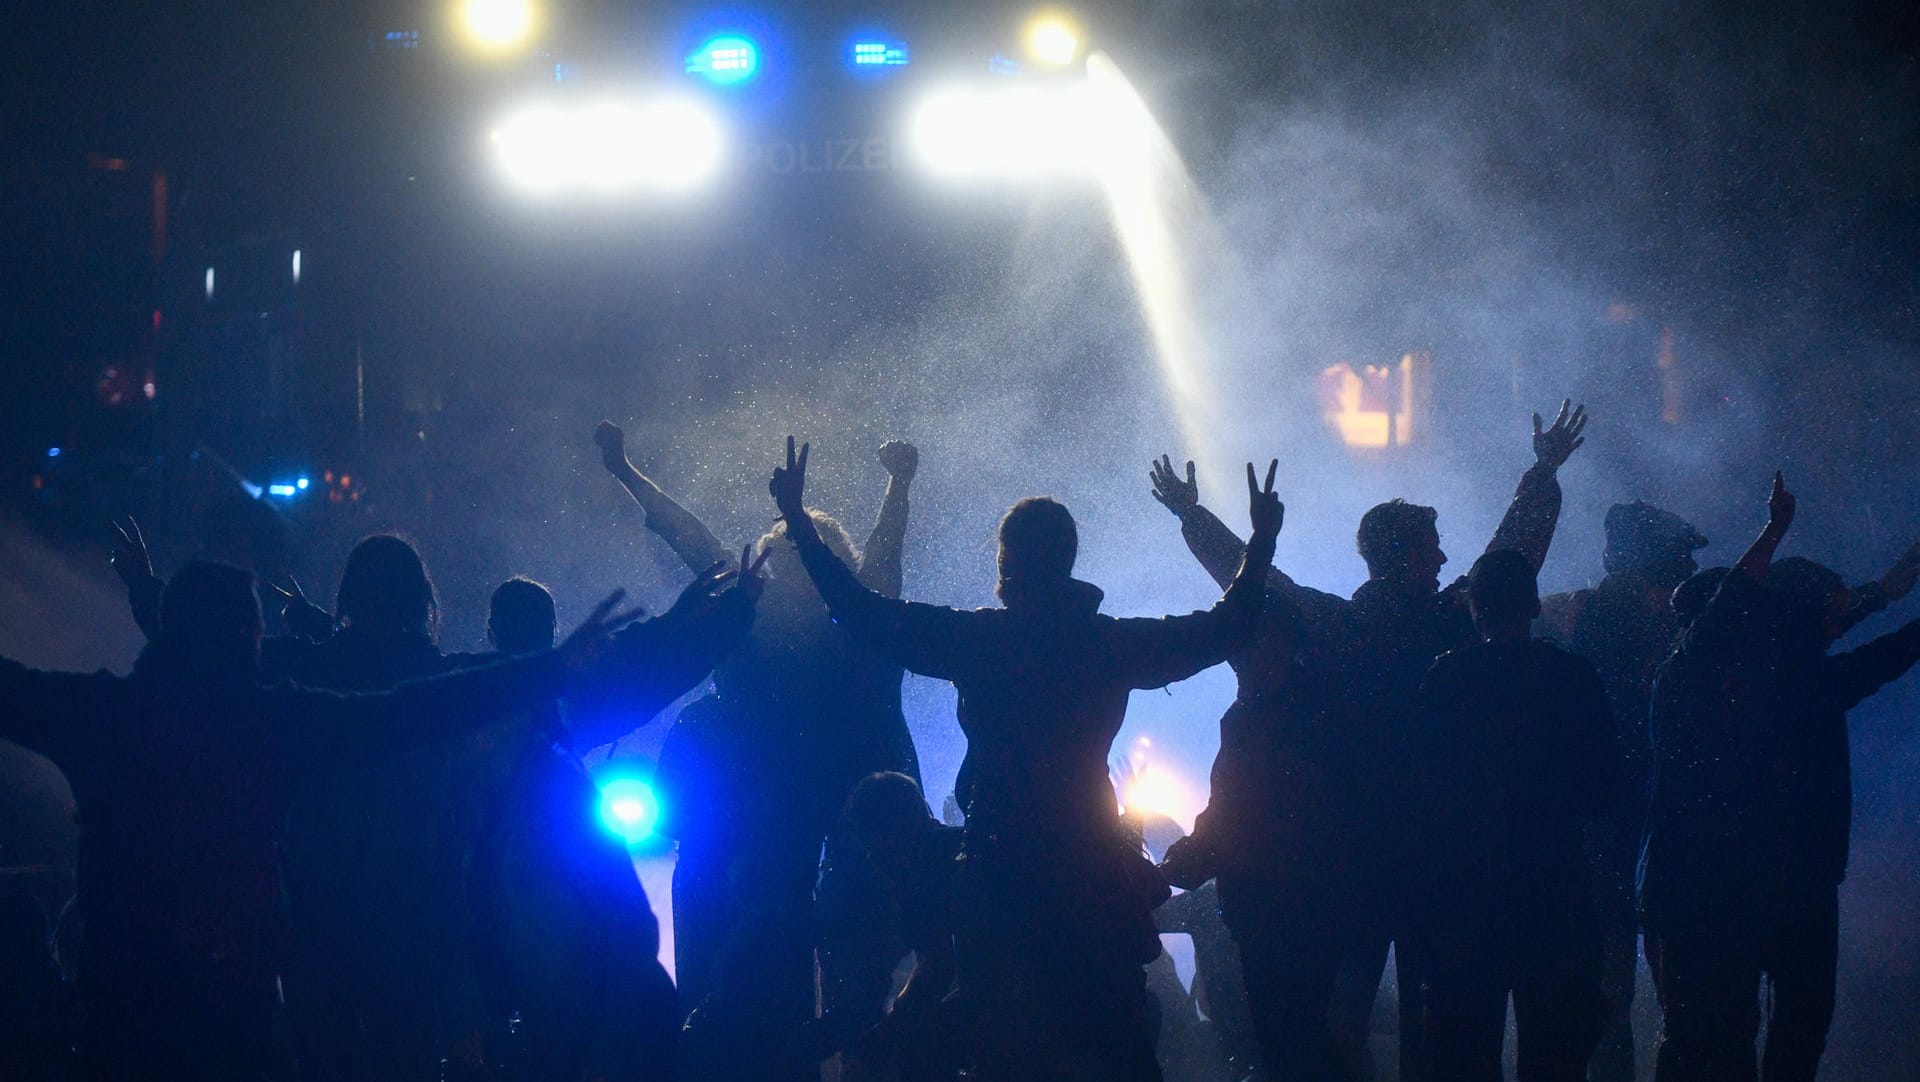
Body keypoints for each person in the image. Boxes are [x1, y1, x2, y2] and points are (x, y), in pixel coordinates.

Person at [0, 560, 645, 1082]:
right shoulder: (270, 724)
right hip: (235, 999)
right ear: (246, 638)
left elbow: (14, 689)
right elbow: (411, 711)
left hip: (123, 995)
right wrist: (548, 668)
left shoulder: (103, 715)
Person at [769, 435, 1282, 1081]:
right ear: (1068, 560)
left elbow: (862, 613)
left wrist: (799, 527)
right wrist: (1260, 542)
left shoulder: (980, 640)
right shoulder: (1106, 644)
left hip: (1001, 868)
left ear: (1007, 561)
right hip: (1089, 866)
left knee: (1009, 1053)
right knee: (1117, 1043)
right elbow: (1227, 627)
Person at [1150, 401, 1589, 1080]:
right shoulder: (1444, 623)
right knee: (1426, 1021)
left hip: (1348, 855)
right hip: (1429, 858)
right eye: (1430, 546)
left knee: (1344, 1017)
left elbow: (1258, 581)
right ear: (1405, 556)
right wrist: (1541, 474)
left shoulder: (1339, 626)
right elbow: (1508, 559)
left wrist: (1192, 517)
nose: (1443, 558)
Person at [596, 421, 922, 1056]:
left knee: (805, 967)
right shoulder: (819, 620)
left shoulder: (810, 621)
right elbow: (699, 545)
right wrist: (899, 483)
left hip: (804, 822)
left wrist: (628, 472)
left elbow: (698, 545)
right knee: (821, 973)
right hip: (807, 819)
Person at [1641, 473, 1920, 1081]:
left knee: (1744, 1029)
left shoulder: (1762, 675)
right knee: (1736, 1032)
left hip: (1744, 885)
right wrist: (1773, 531)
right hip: (1738, 888)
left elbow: (1875, 630)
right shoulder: (1716, 680)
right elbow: (1881, 653)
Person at [1406, 549, 1619, 1081]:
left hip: (1466, 898)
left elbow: (1422, 791)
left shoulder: (1446, 680)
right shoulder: (1572, 676)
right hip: (1556, 893)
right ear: (1533, 605)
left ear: (1474, 609)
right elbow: (1603, 788)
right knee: (1556, 1058)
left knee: (1463, 1055)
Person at [1534, 500, 1707, 1080]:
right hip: (1631, 827)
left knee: (1617, 992)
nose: (1687, 566)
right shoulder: (1608, 622)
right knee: (1624, 991)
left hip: (1624, 825)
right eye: (1678, 555)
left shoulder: (1576, 616)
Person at [836, 771, 965, 1082]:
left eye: (871, 841)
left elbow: (937, 968)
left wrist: (889, 1030)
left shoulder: (926, 873)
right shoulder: (950, 848)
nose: (872, 857)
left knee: (920, 1048)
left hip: (1018, 997)